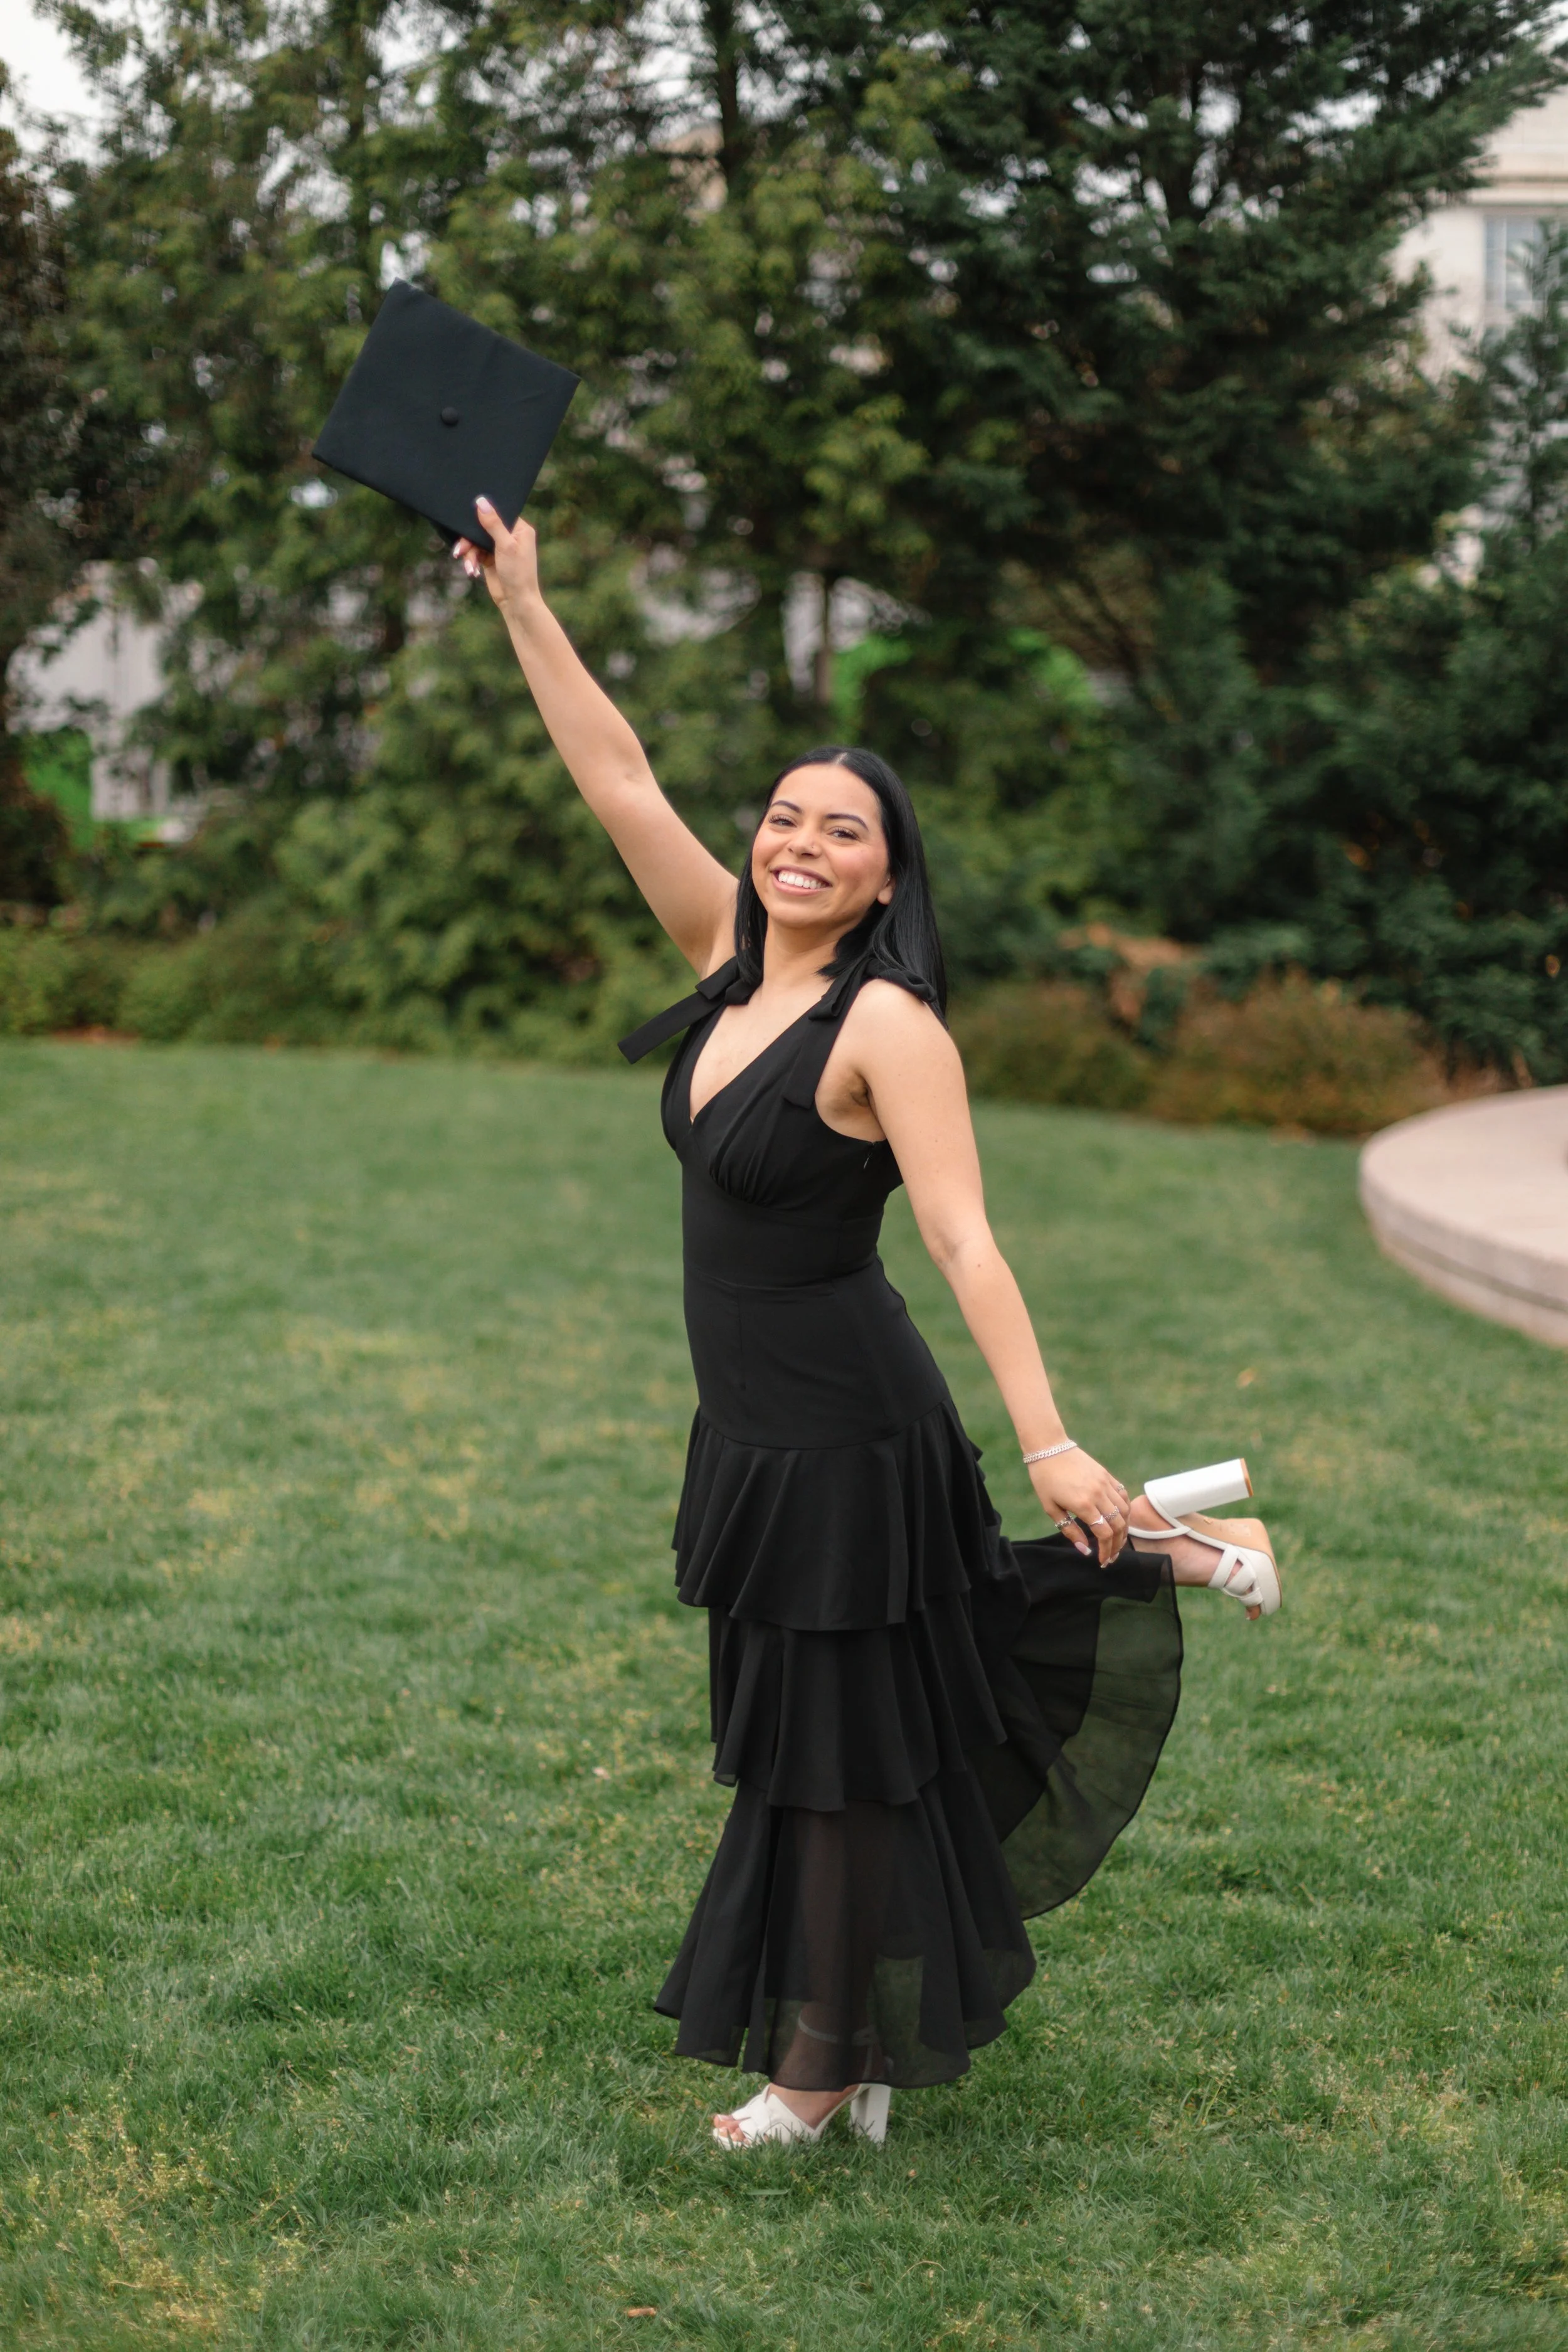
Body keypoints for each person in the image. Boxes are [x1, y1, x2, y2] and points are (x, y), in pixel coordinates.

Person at [453, 499, 1281, 2149]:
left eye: (839, 831)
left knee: (841, 1749)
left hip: (844, 1420)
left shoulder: (884, 1022)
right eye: (782, 817)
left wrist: (1042, 1430)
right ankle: (1169, 1545)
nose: (796, 843)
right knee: (860, 1719)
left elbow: (965, 1236)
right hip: (751, 1431)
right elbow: (615, 775)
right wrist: (525, 604)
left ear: (886, 870)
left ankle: (819, 2072)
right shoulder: (719, 954)